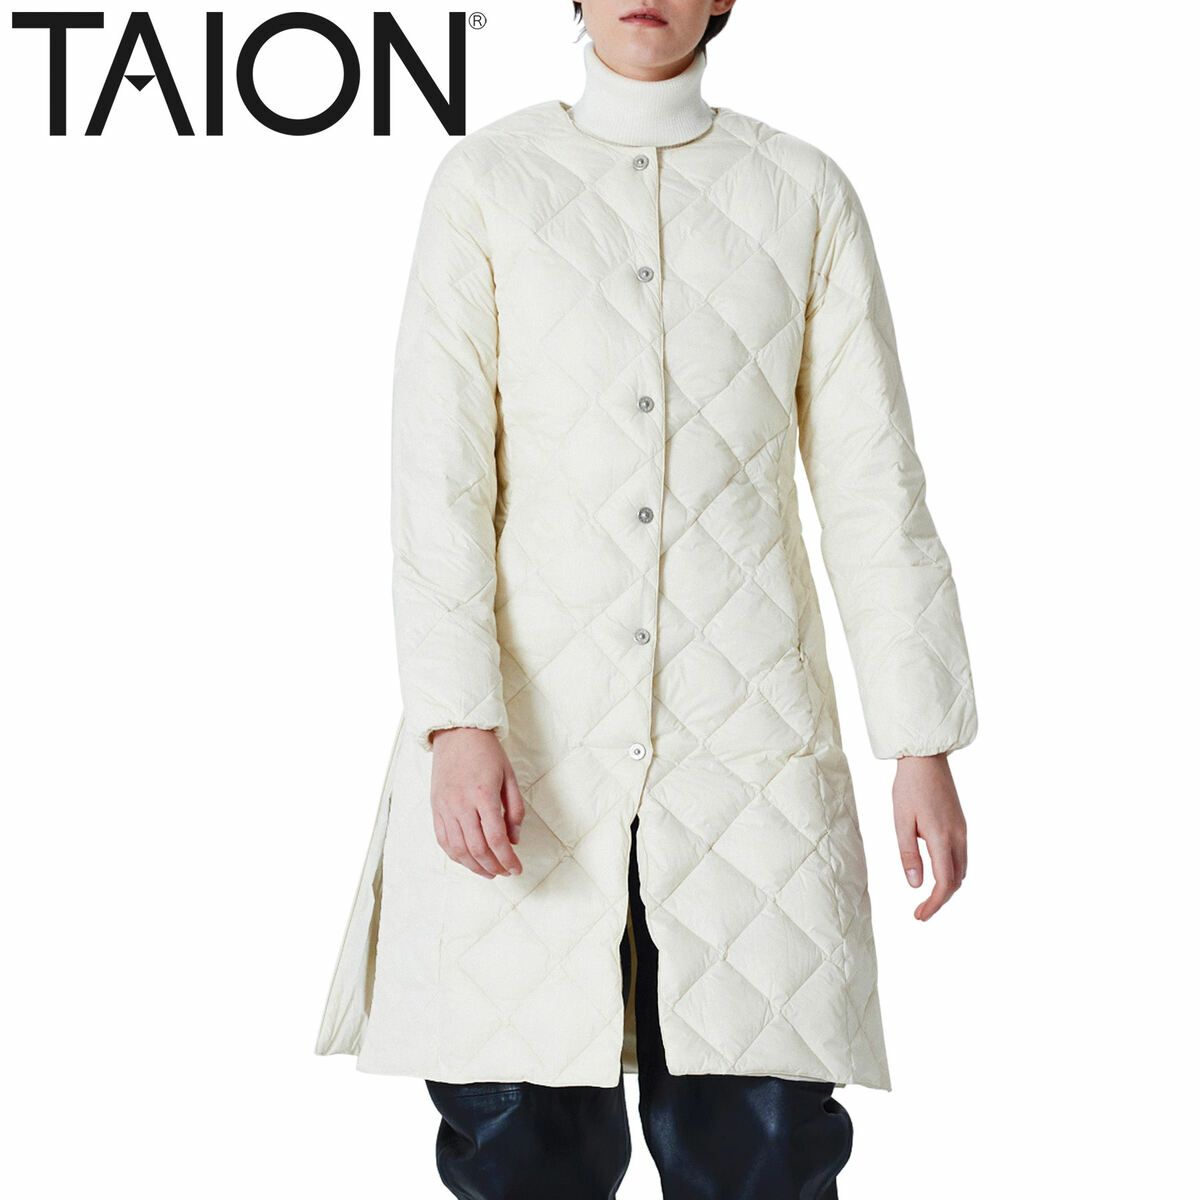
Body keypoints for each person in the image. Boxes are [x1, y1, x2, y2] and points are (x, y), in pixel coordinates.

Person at [315, 2, 978, 1195]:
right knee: (521, 1137)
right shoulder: (488, 185)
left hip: (752, 751)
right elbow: (440, 484)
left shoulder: (803, 195)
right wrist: (457, 721)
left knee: (762, 1144)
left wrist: (918, 742)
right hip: (532, 746)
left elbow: (874, 486)